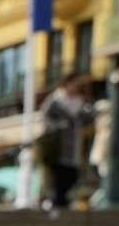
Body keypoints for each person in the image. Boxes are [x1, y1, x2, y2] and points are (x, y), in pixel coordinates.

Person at [41, 73, 96, 211]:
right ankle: (58, 203)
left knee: (72, 174)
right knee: (59, 175)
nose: (75, 87)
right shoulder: (55, 100)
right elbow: (45, 118)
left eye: (77, 84)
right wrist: (59, 125)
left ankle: (62, 201)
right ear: (66, 84)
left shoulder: (81, 102)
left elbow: (89, 118)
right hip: (58, 145)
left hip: (75, 146)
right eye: (73, 83)